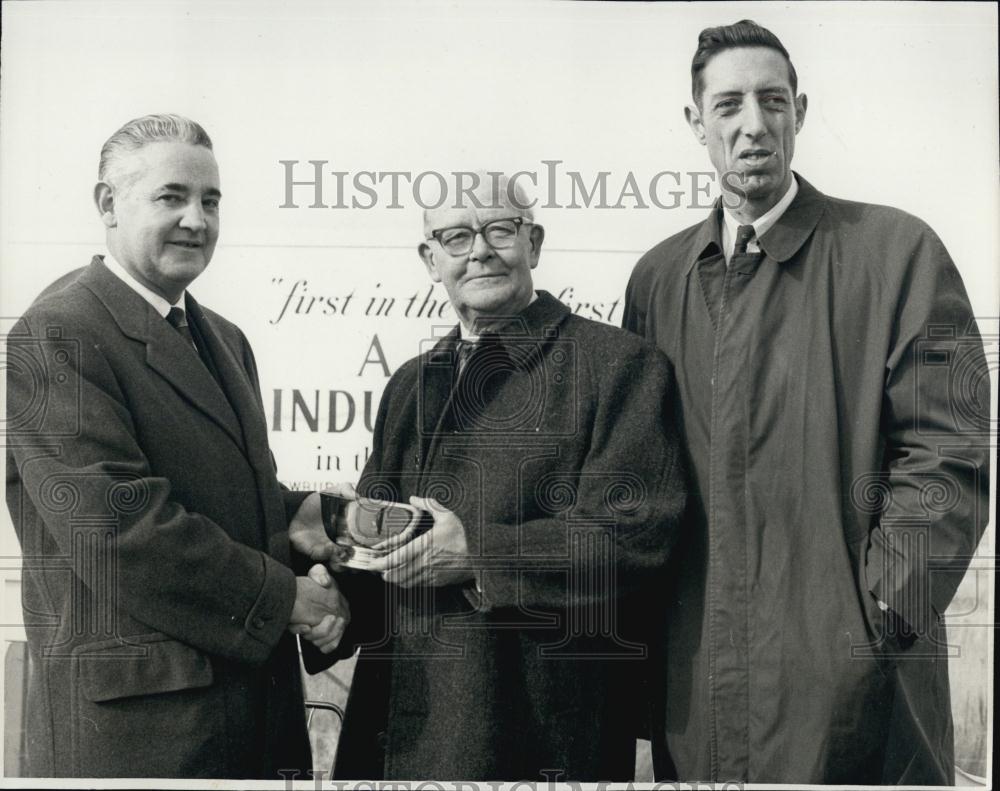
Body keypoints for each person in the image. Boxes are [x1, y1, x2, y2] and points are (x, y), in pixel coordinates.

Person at [622, 20, 990, 786]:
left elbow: (949, 455)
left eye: (772, 100)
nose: (752, 125)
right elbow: (645, 480)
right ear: (696, 123)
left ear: (801, 111)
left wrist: (876, 617)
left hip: (852, 684)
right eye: (728, 106)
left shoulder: (894, 253)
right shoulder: (659, 281)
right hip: (700, 687)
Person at [4, 114, 349, 778]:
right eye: (172, 197)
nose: (197, 219)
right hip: (143, 733)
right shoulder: (58, 333)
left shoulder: (225, 337)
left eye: (211, 200)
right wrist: (288, 600)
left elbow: (220, 494)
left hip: (253, 717)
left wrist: (305, 516)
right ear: (107, 204)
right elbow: (118, 524)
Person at [318, 175, 686, 780]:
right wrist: (333, 598)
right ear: (430, 260)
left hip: (535, 728)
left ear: (533, 244)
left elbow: (638, 537)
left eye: (499, 230)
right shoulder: (410, 383)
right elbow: (380, 543)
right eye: (456, 236)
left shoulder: (618, 365)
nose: (479, 250)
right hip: (401, 730)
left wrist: (480, 556)